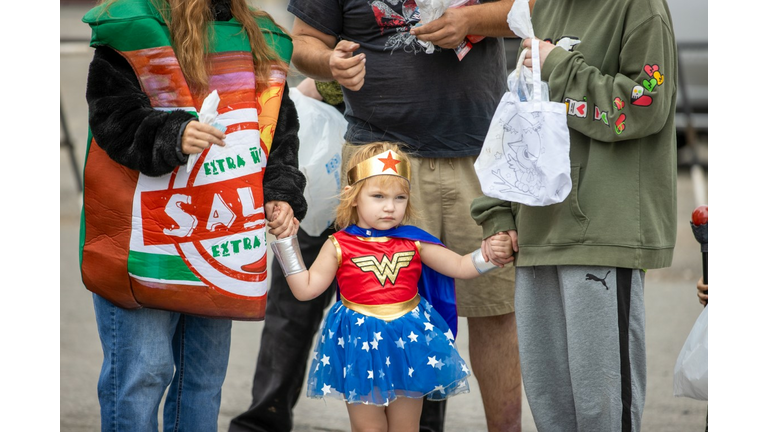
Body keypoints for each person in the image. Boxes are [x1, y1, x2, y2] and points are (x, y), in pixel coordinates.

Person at [273, 1, 527, 431]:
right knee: (384, 309)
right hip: (380, 160)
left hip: (482, 152)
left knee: (496, 310)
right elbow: (302, 44)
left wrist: (469, 19)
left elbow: (533, 9)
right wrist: (330, 64)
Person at [80, 0, 306, 430]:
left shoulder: (255, 33)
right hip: (146, 244)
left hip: (220, 243)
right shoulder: (135, 26)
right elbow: (112, 118)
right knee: (143, 375)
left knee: (203, 381)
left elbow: (277, 131)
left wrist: (280, 193)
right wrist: (172, 133)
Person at [471, 0, 679, 430]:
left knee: (602, 409)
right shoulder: (541, 6)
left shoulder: (640, 8)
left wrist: (559, 66)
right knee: (551, 407)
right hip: (535, 234)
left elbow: (642, 108)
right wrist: (499, 213)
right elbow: (518, 118)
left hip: (603, 233)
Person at [270, 141, 513, 432]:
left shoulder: (415, 240)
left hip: (407, 345)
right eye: (378, 196)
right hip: (360, 345)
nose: (390, 206)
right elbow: (305, 289)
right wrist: (286, 244)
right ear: (353, 196)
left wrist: (489, 255)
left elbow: (461, 266)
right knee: (368, 429)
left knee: (406, 429)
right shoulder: (338, 244)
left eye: (400, 197)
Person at [229, 78, 344, 432]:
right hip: (335, 160)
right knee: (290, 308)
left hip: (412, 155)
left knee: (405, 308)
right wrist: (329, 77)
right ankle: (263, 420)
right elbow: (312, 47)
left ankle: (419, 424)